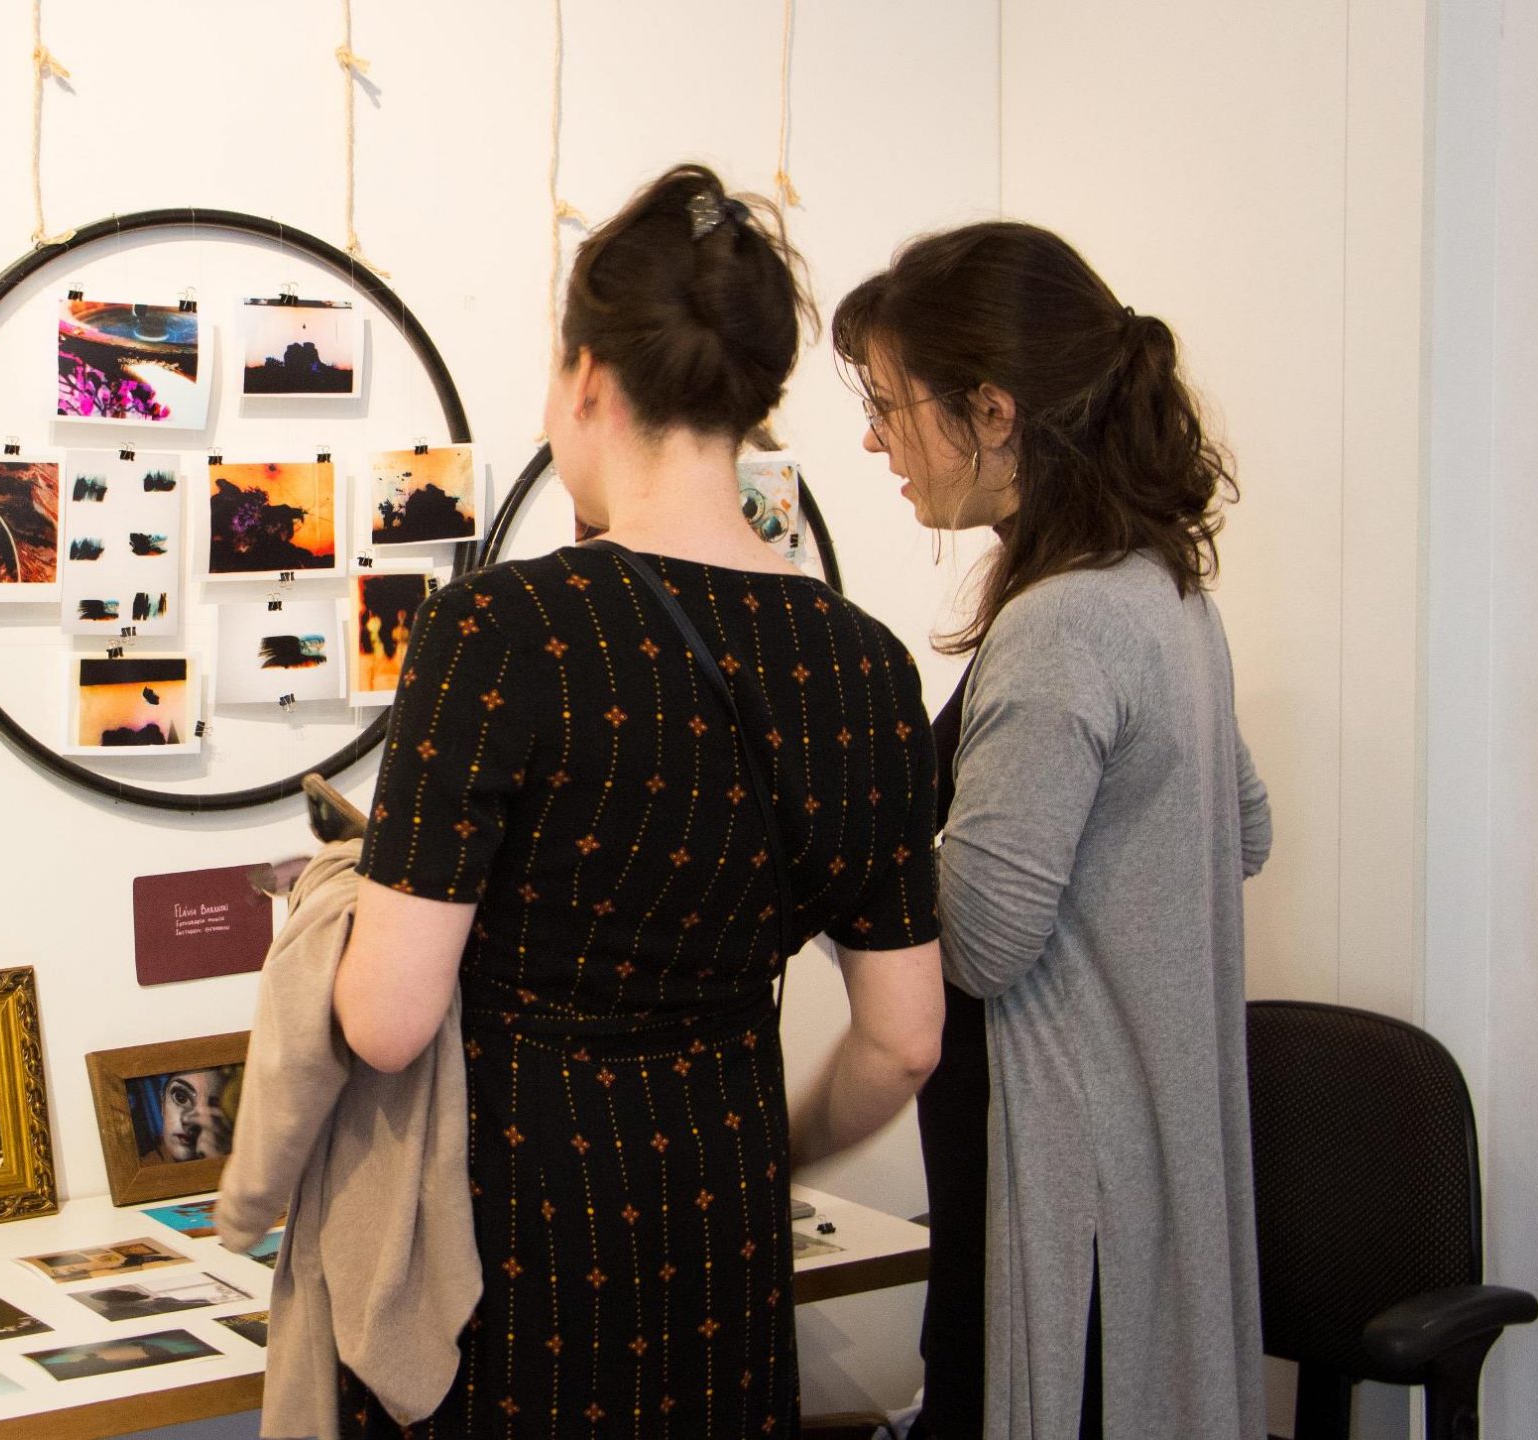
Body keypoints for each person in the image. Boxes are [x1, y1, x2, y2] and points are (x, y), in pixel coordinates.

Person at [330, 164, 946, 1437]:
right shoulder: (866, 665)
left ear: (586, 377)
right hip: (725, 1233)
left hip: (518, 1237)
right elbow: (903, 1042)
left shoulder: (501, 629)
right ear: (752, 396)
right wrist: (773, 1144)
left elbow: (386, 1023)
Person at [833, 222, 1273, 1440]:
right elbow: (1240, 829)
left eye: (888, 406)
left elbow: (980, 943)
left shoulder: (1062, 625)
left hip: (1065, 1184)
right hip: (1135, 1159)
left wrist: (834, 854)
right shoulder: (1161, 591)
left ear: (991, 411)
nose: (873, 440)